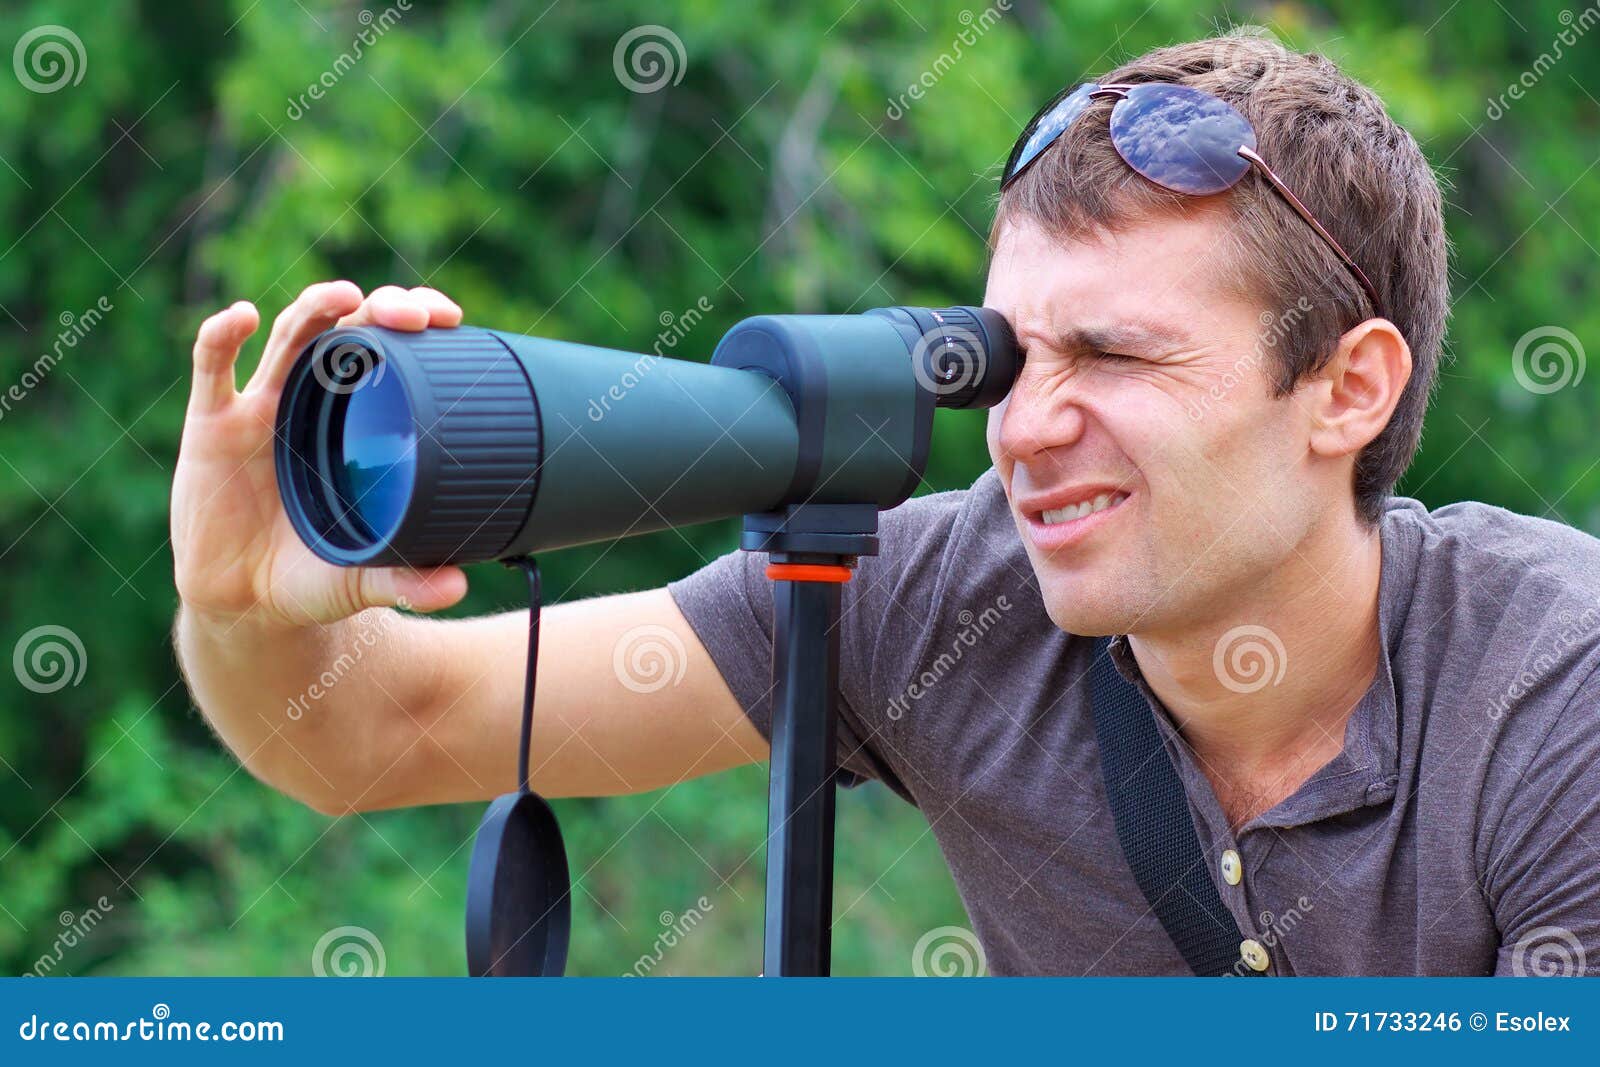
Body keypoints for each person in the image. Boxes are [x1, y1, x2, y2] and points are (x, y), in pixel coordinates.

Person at [172, 36, 1600, 976]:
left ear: (1346, 389)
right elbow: (380, 731)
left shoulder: (1552, 685)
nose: (1028, 427)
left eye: (1115, 355)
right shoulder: (941, 594)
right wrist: (241, 603)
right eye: (1003, 354)